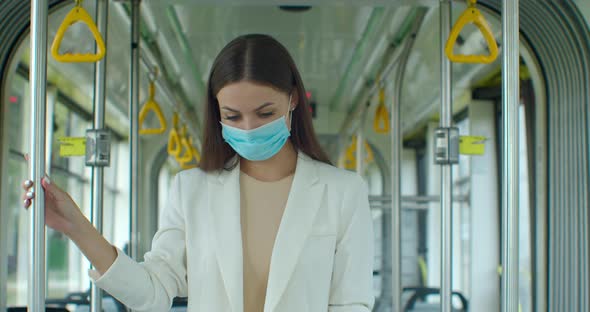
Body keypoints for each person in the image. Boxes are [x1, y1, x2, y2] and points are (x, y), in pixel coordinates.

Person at [22, 34, 374, 312]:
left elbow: (350, 303)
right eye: (233, 117)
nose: (249, 128)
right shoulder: (191, 189)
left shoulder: (342, 192)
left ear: (293, 100)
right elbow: (154, 294)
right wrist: (77, 227)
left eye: (265, 113)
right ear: (217, 113)